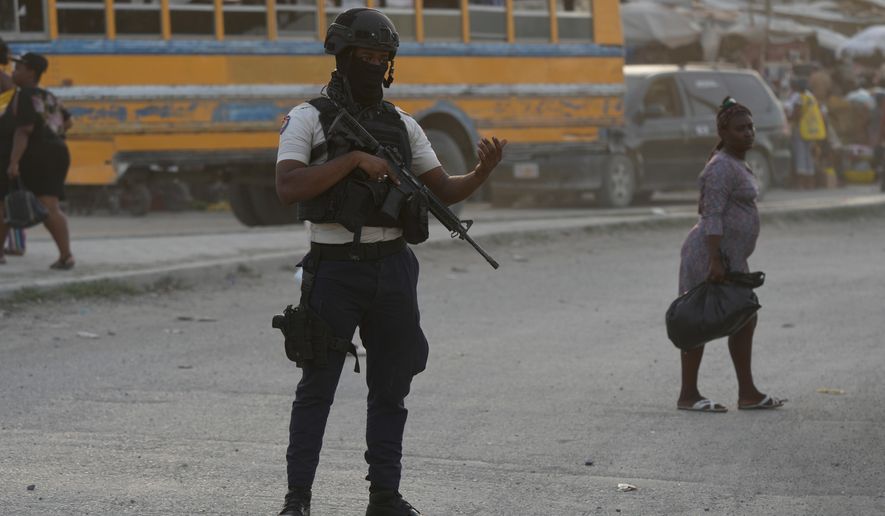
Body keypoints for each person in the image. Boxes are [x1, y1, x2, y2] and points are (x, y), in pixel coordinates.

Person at [274, 8, 506, 516]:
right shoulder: (308, 118)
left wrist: (481, 173)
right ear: (342, 55)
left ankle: (384, 496)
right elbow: (288, 184)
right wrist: (354, 161)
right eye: (365, 56)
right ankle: (298, 501)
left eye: (383, 57)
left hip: (393, 268)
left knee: (391, 389)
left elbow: (446, 189)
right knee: (318, 387)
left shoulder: (403, 125)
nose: (375, 65)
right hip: (334, 269)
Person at [676, 97, 785, 413]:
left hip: (729, 256)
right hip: (710, 254)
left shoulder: (736, 162)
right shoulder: (721, 166)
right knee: (696, 318)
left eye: (751, 127)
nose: (748, 133)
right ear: (723, 132)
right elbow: (712, 215)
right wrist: (714, 260)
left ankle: (748, 393)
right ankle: (688, 394)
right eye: (740, 129)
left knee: (744, 317)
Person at [0, 52, 75, 269]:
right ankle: (65, 256)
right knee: (14, 204)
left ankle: (66, 255)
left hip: (37, 155)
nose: (15, 71)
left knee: (47, 207)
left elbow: (23, 131)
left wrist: (13, 163)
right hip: (58, 152)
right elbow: (68, 123)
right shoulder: (48, 96)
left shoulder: (23, 96)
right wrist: (52, 134)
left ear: (31, 72)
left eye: (20, 68)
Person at [784, 78, 826, 190]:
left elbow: (797, 113)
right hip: (812, 130)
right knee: (809, 156)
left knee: (801, 155)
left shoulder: (799, 97)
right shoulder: (811, 96)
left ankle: (801, 184)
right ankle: (810, 184)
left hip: (802, 130)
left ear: (796, 87)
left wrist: (787, 118)